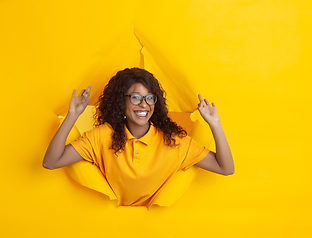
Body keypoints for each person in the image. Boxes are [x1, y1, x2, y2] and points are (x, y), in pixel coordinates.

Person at [43, 68, 234, 207]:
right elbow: (51, 162)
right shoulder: (101, 137)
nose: (144, 105)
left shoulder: (174, 142)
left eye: (149, 98)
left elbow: (225, 168)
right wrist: (72, 117)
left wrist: (215, 124)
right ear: (121, 102)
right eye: (135, 97)